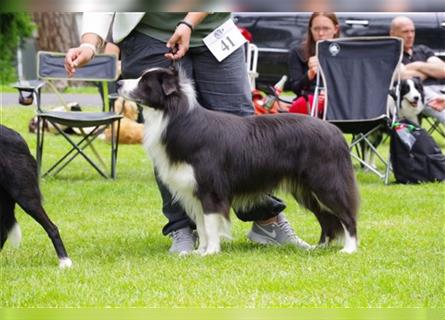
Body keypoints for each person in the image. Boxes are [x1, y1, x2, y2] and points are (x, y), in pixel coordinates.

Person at [65, 12, 312, 254]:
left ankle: (266, 221)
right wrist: (89, 43)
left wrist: (188, 23)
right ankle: (182, 227)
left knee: (242, 126)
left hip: (214, 30)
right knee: (168, 134)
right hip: (149, 35)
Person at [390, 15, 445, 124]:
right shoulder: (391, 54)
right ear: (393, 34)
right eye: (405, 32)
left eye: (412, 31)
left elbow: (443, 70)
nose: (410, 35)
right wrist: (430, 71)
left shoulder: (422, 50)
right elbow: (401, 76)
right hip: (417, 93)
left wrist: (417, 65)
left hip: (440, 88)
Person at [287, 12, 340, 118]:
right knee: (307, 102)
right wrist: (310, 74)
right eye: (316, 29)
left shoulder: (345, 53)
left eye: (326, 28)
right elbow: (295, 88)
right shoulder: (298, 52)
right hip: (310, 101)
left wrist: (331, 95)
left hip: (339, 103)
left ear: (335, 29)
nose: (320, 33)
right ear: (310, 30)